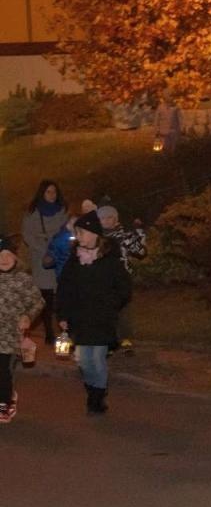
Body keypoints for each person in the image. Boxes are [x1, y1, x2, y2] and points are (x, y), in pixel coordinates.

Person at [54, 210, 130, 415]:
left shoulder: (110, 260)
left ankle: (96, 397)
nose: (78, 237)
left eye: (81, 232)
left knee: (97, 358)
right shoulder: (74, 261)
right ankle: (93, 389)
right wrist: (62, 315)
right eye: (77, 233)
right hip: (80, 319)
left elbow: (124, 288)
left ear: (94, 233)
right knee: (83, 360)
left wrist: (110, 304)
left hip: (102, 318)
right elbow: (64, 290)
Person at [0, 235, 44, 423]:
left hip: (11, 335)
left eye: (8, 255)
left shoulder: (23, 279)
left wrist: (28, 316)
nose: (4, 259)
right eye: (0, 255)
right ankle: (7, 394)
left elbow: (38, 302)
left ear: (15, 257)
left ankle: (4, 404)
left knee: (3, 370)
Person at [21, 180, 67, 341]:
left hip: (60, 256)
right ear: (42, 193)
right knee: (45, 296)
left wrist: (60, 248)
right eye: (48, 192)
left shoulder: (62, 211)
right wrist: (43, 249)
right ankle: (48, 330)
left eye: (54, 191)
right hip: (41, 257)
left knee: (62, 294)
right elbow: (27, 235)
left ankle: (64, 328)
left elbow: (67, 231)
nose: (52, 195)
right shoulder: (32, 212)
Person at [97, 205, 145, 350]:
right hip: (101, 278)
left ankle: (125, 337)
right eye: (102, 218)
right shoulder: (95, 238)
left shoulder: (125, 236)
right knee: (103, 308)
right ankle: (106, 338)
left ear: (116, 219)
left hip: (121, 277)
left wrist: (139, 233)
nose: (106, 220)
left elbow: (141, 252)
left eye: (110, 217)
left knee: (124, 308)